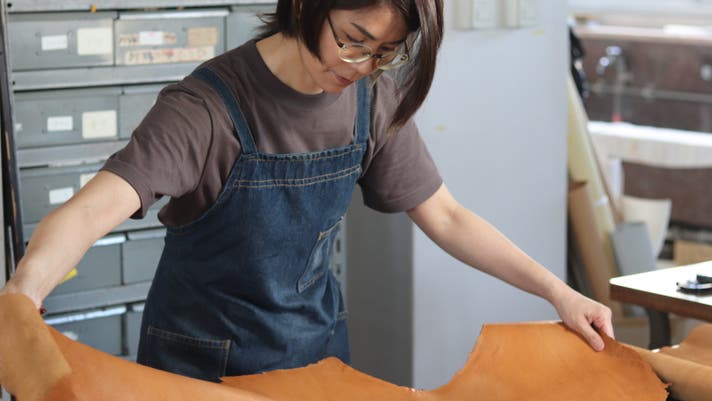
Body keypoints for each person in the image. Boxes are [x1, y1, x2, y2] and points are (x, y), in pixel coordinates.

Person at [0, 0, 613, 382]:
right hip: (201, 367)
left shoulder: (373, 99)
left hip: (314, 357)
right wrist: (23, 293)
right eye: (353, 38)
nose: (361, 64)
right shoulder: (206, 108)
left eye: (385, 51)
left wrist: (558, 292)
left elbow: (447, 217)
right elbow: (92, 209)